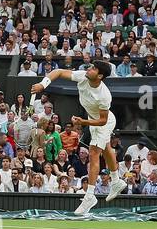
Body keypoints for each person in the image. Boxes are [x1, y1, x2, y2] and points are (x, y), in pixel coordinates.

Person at [32, 59, 124, 216]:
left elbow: (102, 120)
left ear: (100, 76)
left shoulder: (104, 95)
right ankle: (116, 181)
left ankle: (90, 196)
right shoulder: (83, 76)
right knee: (107, 148)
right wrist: (43, 84)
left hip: (103, 122)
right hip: (94, 121)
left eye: (94, 68)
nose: (90, 68)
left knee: (94, 153)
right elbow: (59, 72)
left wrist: (83, 122)